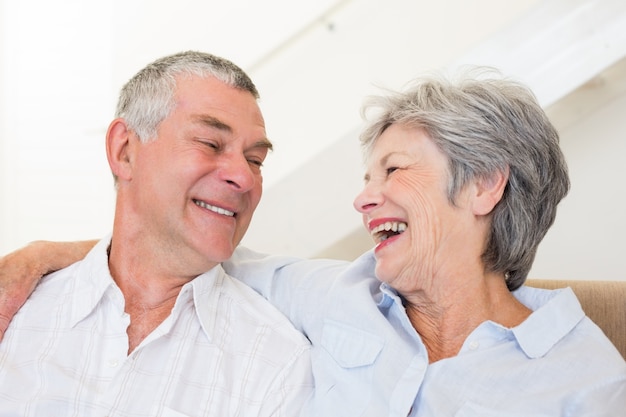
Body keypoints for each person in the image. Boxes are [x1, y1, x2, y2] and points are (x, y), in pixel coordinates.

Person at [2, 69, 626, 416]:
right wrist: (40, 257)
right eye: (366, 177)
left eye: (394, 170)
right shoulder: (338, 294)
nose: (363, 199)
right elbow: (180, 240)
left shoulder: (589, 379)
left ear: (485, 186)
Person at [0, 51, 314, 416]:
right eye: (211, 144)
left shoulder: (279, 366)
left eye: (255, 161)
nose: (244, 177)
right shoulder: (16, 314)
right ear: (125, 151)